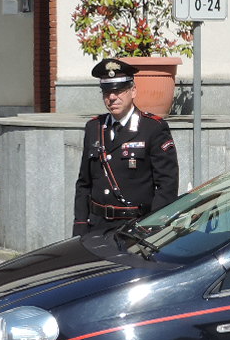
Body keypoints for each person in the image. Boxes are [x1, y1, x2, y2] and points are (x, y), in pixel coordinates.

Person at [72, 58, 180, 237]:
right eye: (107, 92)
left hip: (136, 228)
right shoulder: (94, 127)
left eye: (119, 91)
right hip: (96, 227)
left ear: (133, 91)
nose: (112, 97)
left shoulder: (152, 128)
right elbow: (84, 184)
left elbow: (167, 185)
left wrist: (152, 227)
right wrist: (80, 226)